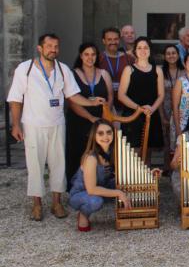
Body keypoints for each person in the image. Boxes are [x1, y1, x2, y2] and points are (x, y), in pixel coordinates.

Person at [8, 33, 105, 221]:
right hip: (33, 124)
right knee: (35, 165)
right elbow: (15, 99)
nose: (53, 50)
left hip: (57, 123)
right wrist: (15, 125)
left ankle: (56, 202)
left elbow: (72, 95)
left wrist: (91, 103)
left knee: (58, 164)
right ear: (40, 48)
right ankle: (37, 205)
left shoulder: (62, 70)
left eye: (56, 47)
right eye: (49, 46)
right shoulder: (25, 69)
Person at [68, 120, 134, 232]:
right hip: (83, 193)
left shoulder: (114, 152)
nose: (106, 136)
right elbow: (91, 189)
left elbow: (128, 171)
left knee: (130, 183)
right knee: (96, 201)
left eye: (109, 132)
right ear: (94, 136)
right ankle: (83, 214)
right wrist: (118, 193)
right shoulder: (91, 158)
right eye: (100, 133)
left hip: (102, 186)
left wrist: (149, 174)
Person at [66, 43, 113, 188]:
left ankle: (98, 184)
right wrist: (90, 118)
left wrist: (105, 115)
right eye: (86, 54)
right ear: (81, 56)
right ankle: (77, 186)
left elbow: (110, 96)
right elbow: (72, 101)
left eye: (93, 54)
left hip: (101, 121)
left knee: (100, 153)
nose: (90, 57)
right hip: (79, 120)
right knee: (79, 152)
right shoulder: (73, 74)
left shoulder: (104, 73)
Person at [117, 36, 165, 157]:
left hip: (151, 114)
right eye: (139, 48)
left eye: (146, 47)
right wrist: (139, 108)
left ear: (150, 50)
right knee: (133, 155)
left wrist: (152, 109)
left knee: (147, 154)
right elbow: (121, 95)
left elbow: (161, 95)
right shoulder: (129, 70)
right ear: (135, 51)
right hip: (133, 116)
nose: (143, 50)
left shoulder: (158, 70)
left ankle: (146, 177)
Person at [99, 27, 133, 111]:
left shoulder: (129, 59)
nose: (113, 42)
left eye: (116, 39)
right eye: (109, 39)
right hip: (104, 106)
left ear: (119, 40)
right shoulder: (98, 59)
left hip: (126, 106)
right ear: (103, 41)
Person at [160, 44, 183, 160]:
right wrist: (162, 115)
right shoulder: (160, 72)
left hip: (181, 110)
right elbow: (158, 96)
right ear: (164, 57)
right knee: (167, 140)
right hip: (165, 109)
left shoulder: (184, 71)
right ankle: (167, 168)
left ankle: (181, 167)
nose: (171, 55)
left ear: (178, 55)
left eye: (173, 53)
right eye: (168, 53)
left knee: (180, 138)